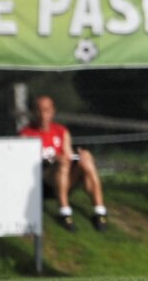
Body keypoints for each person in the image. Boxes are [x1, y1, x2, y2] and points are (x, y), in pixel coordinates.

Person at [20, 94, 108, 232]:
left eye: (47, 110)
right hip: (44, 181)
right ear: (34, 112)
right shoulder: (26, 134)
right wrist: (54, 159)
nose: (43, 115)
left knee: (86, 158)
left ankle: (99, 211)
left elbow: (68, 154)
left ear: (53, 111)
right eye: (39, 110)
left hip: (65, 178)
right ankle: (64, 212)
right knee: (62, 162)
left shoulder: (61, 131)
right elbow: (26, 164)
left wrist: (79, 156)